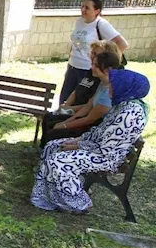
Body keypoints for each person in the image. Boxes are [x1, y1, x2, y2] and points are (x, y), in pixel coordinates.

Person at [31, 68, 149, 214]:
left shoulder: (129, 114)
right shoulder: (122, 105)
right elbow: (99, 132)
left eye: (114, 85)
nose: (110, 87)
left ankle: (78, 204)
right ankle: (50, 197)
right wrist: (78, 140)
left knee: (57, 161)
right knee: (52, 146)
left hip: (107, 158)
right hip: (97, 148)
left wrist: (76, 145)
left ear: (125, 87)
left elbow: (105, 148)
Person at [40, 50, 120, 147]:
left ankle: (48, 156)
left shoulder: (109, 92)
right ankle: (43, 153)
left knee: (54, 132)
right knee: (50, 120)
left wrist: (64, 125)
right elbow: (88, 106)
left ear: (107, 70)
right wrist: (66, 121)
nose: (92, 68)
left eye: (95, 65)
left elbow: (89, 119)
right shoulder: (103, 83)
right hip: (87, 121)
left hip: (95, 129)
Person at [59, 0, 128, 104]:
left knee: (80, 101)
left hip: (88, 70)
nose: (83, 10)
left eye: (87, 8)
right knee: (64, 100)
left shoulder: (101, 24)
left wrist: (105, 62)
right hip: (72, 67)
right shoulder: (79, 21)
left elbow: (122, 44)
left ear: (97, 11)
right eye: (82, 6)